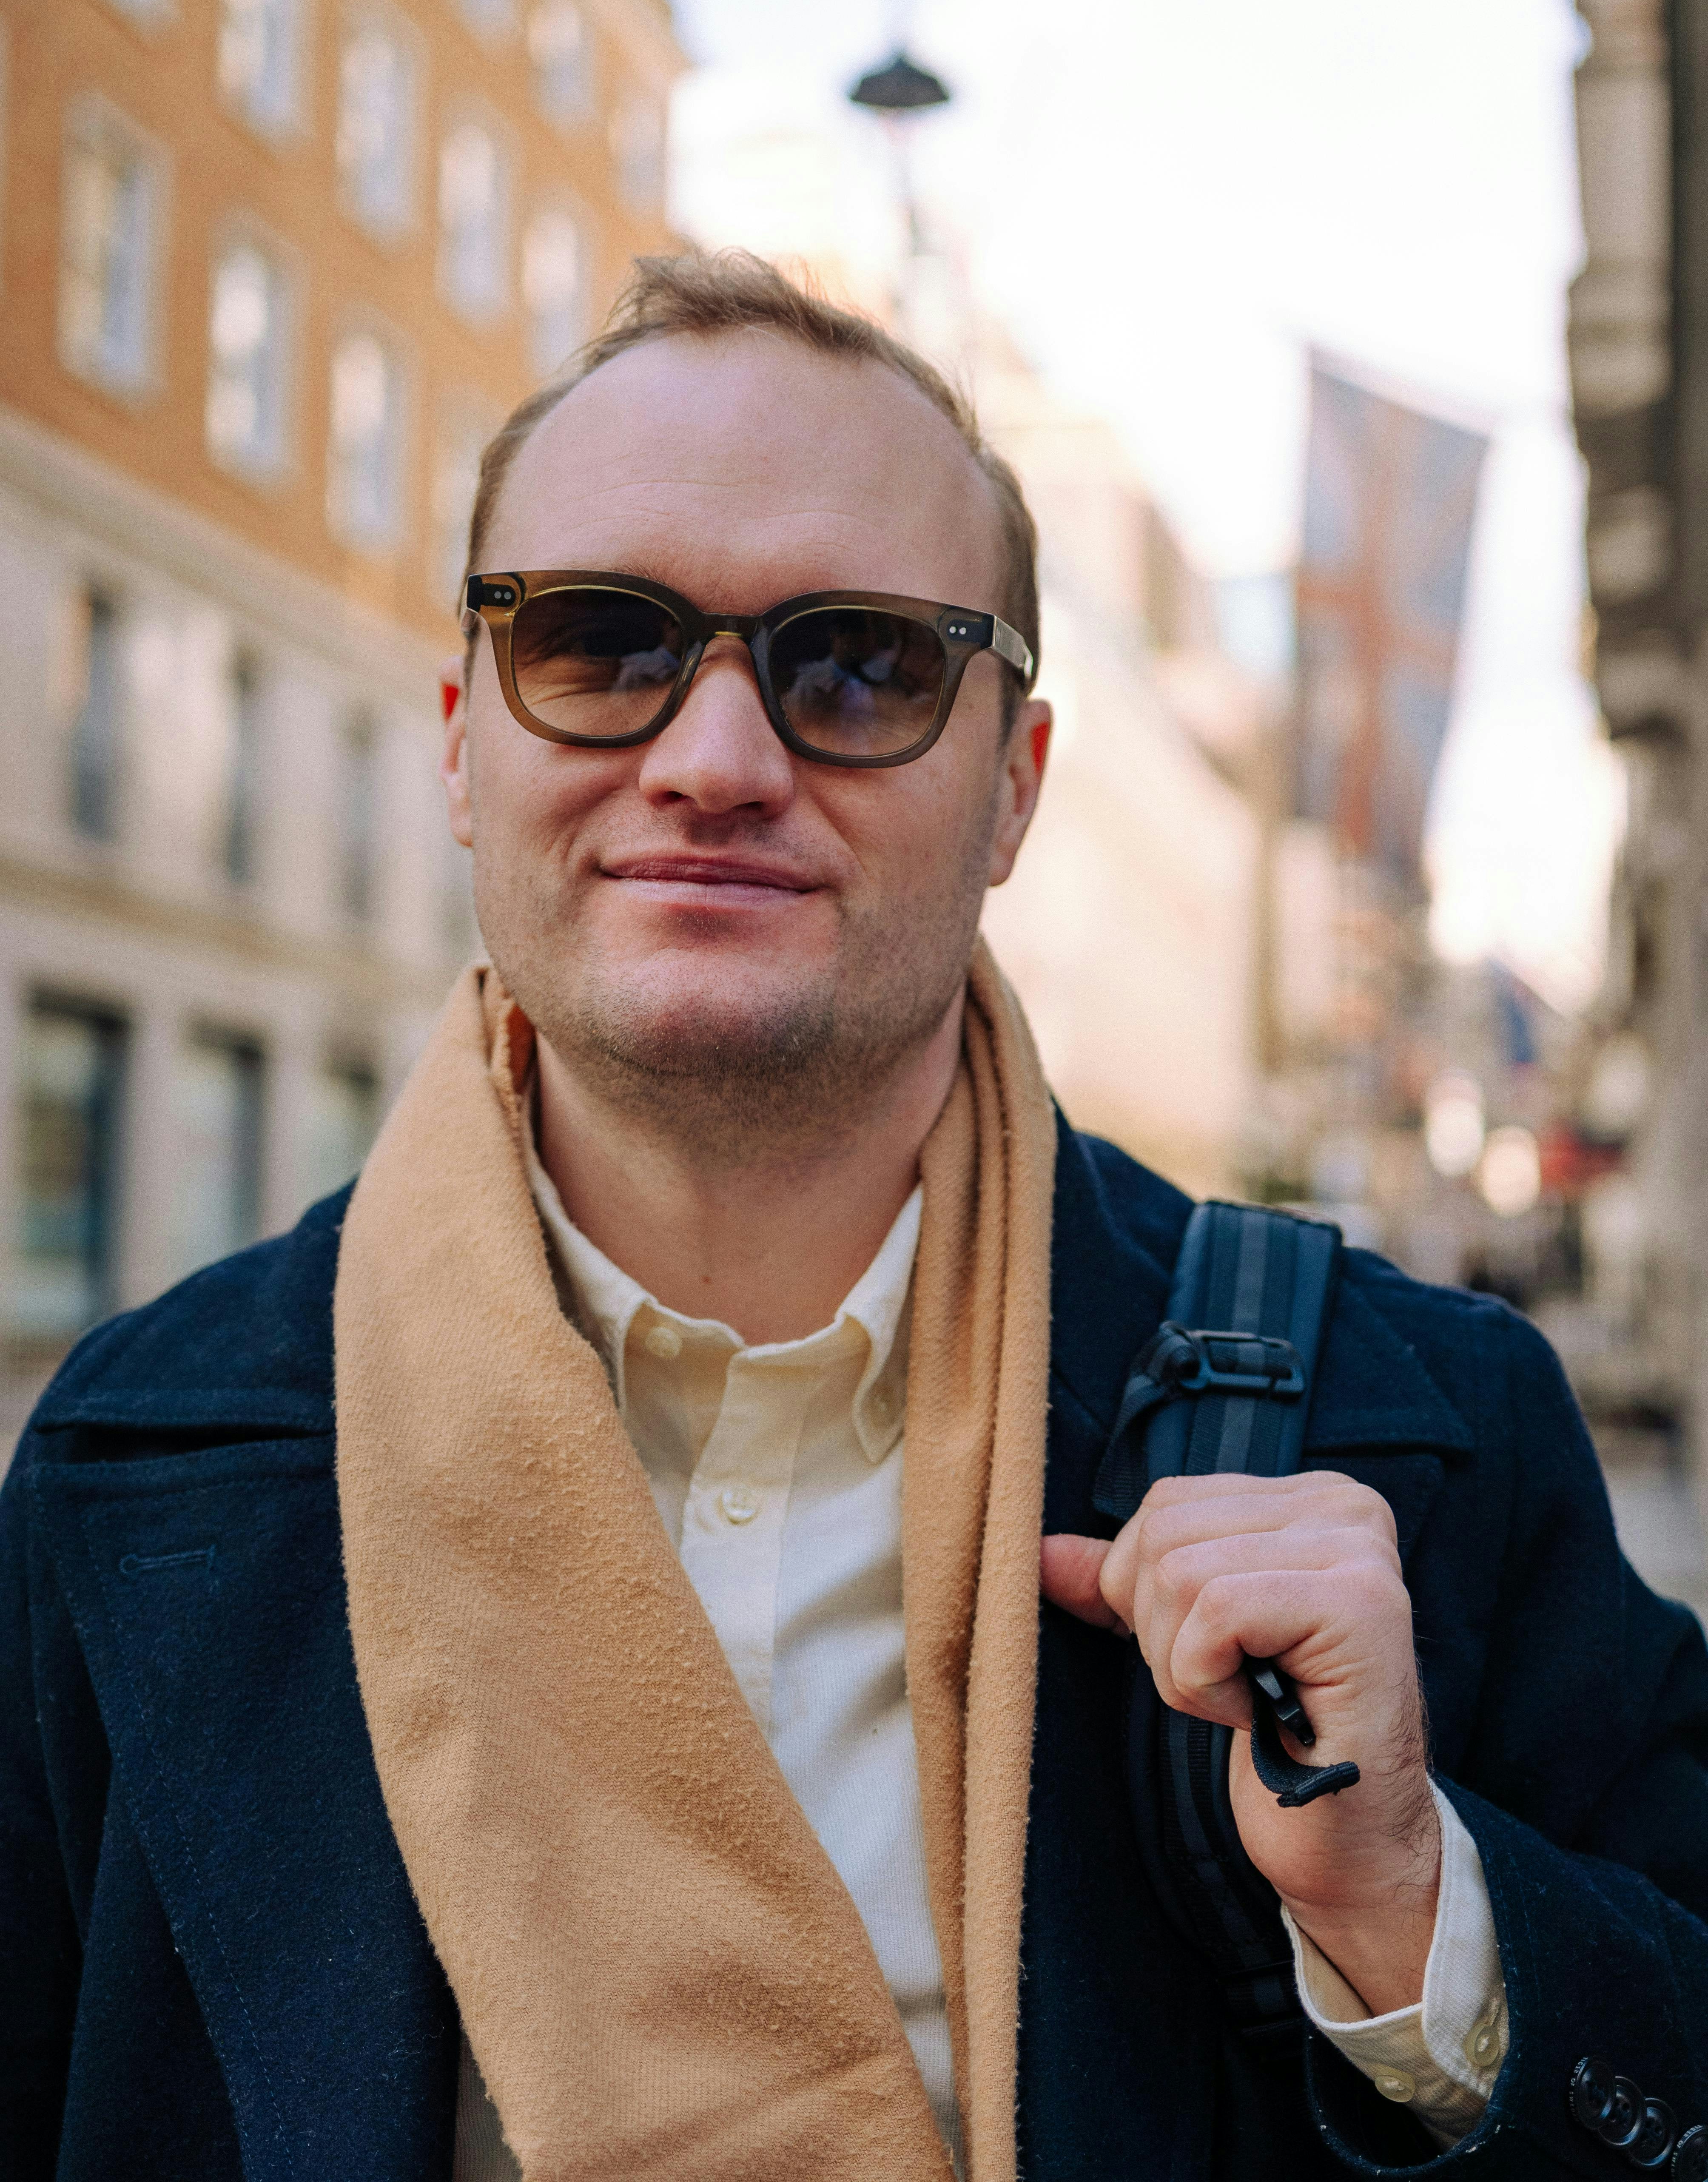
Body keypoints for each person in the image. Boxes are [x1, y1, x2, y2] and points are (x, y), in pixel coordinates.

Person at [3, 250, 1706, 2182]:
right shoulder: (131, 1471)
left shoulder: (1423, 1434)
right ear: (466, 741)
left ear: (1011, 790)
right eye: (594, 639)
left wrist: (1416, 1915)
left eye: (861, 666)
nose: (715, 762)